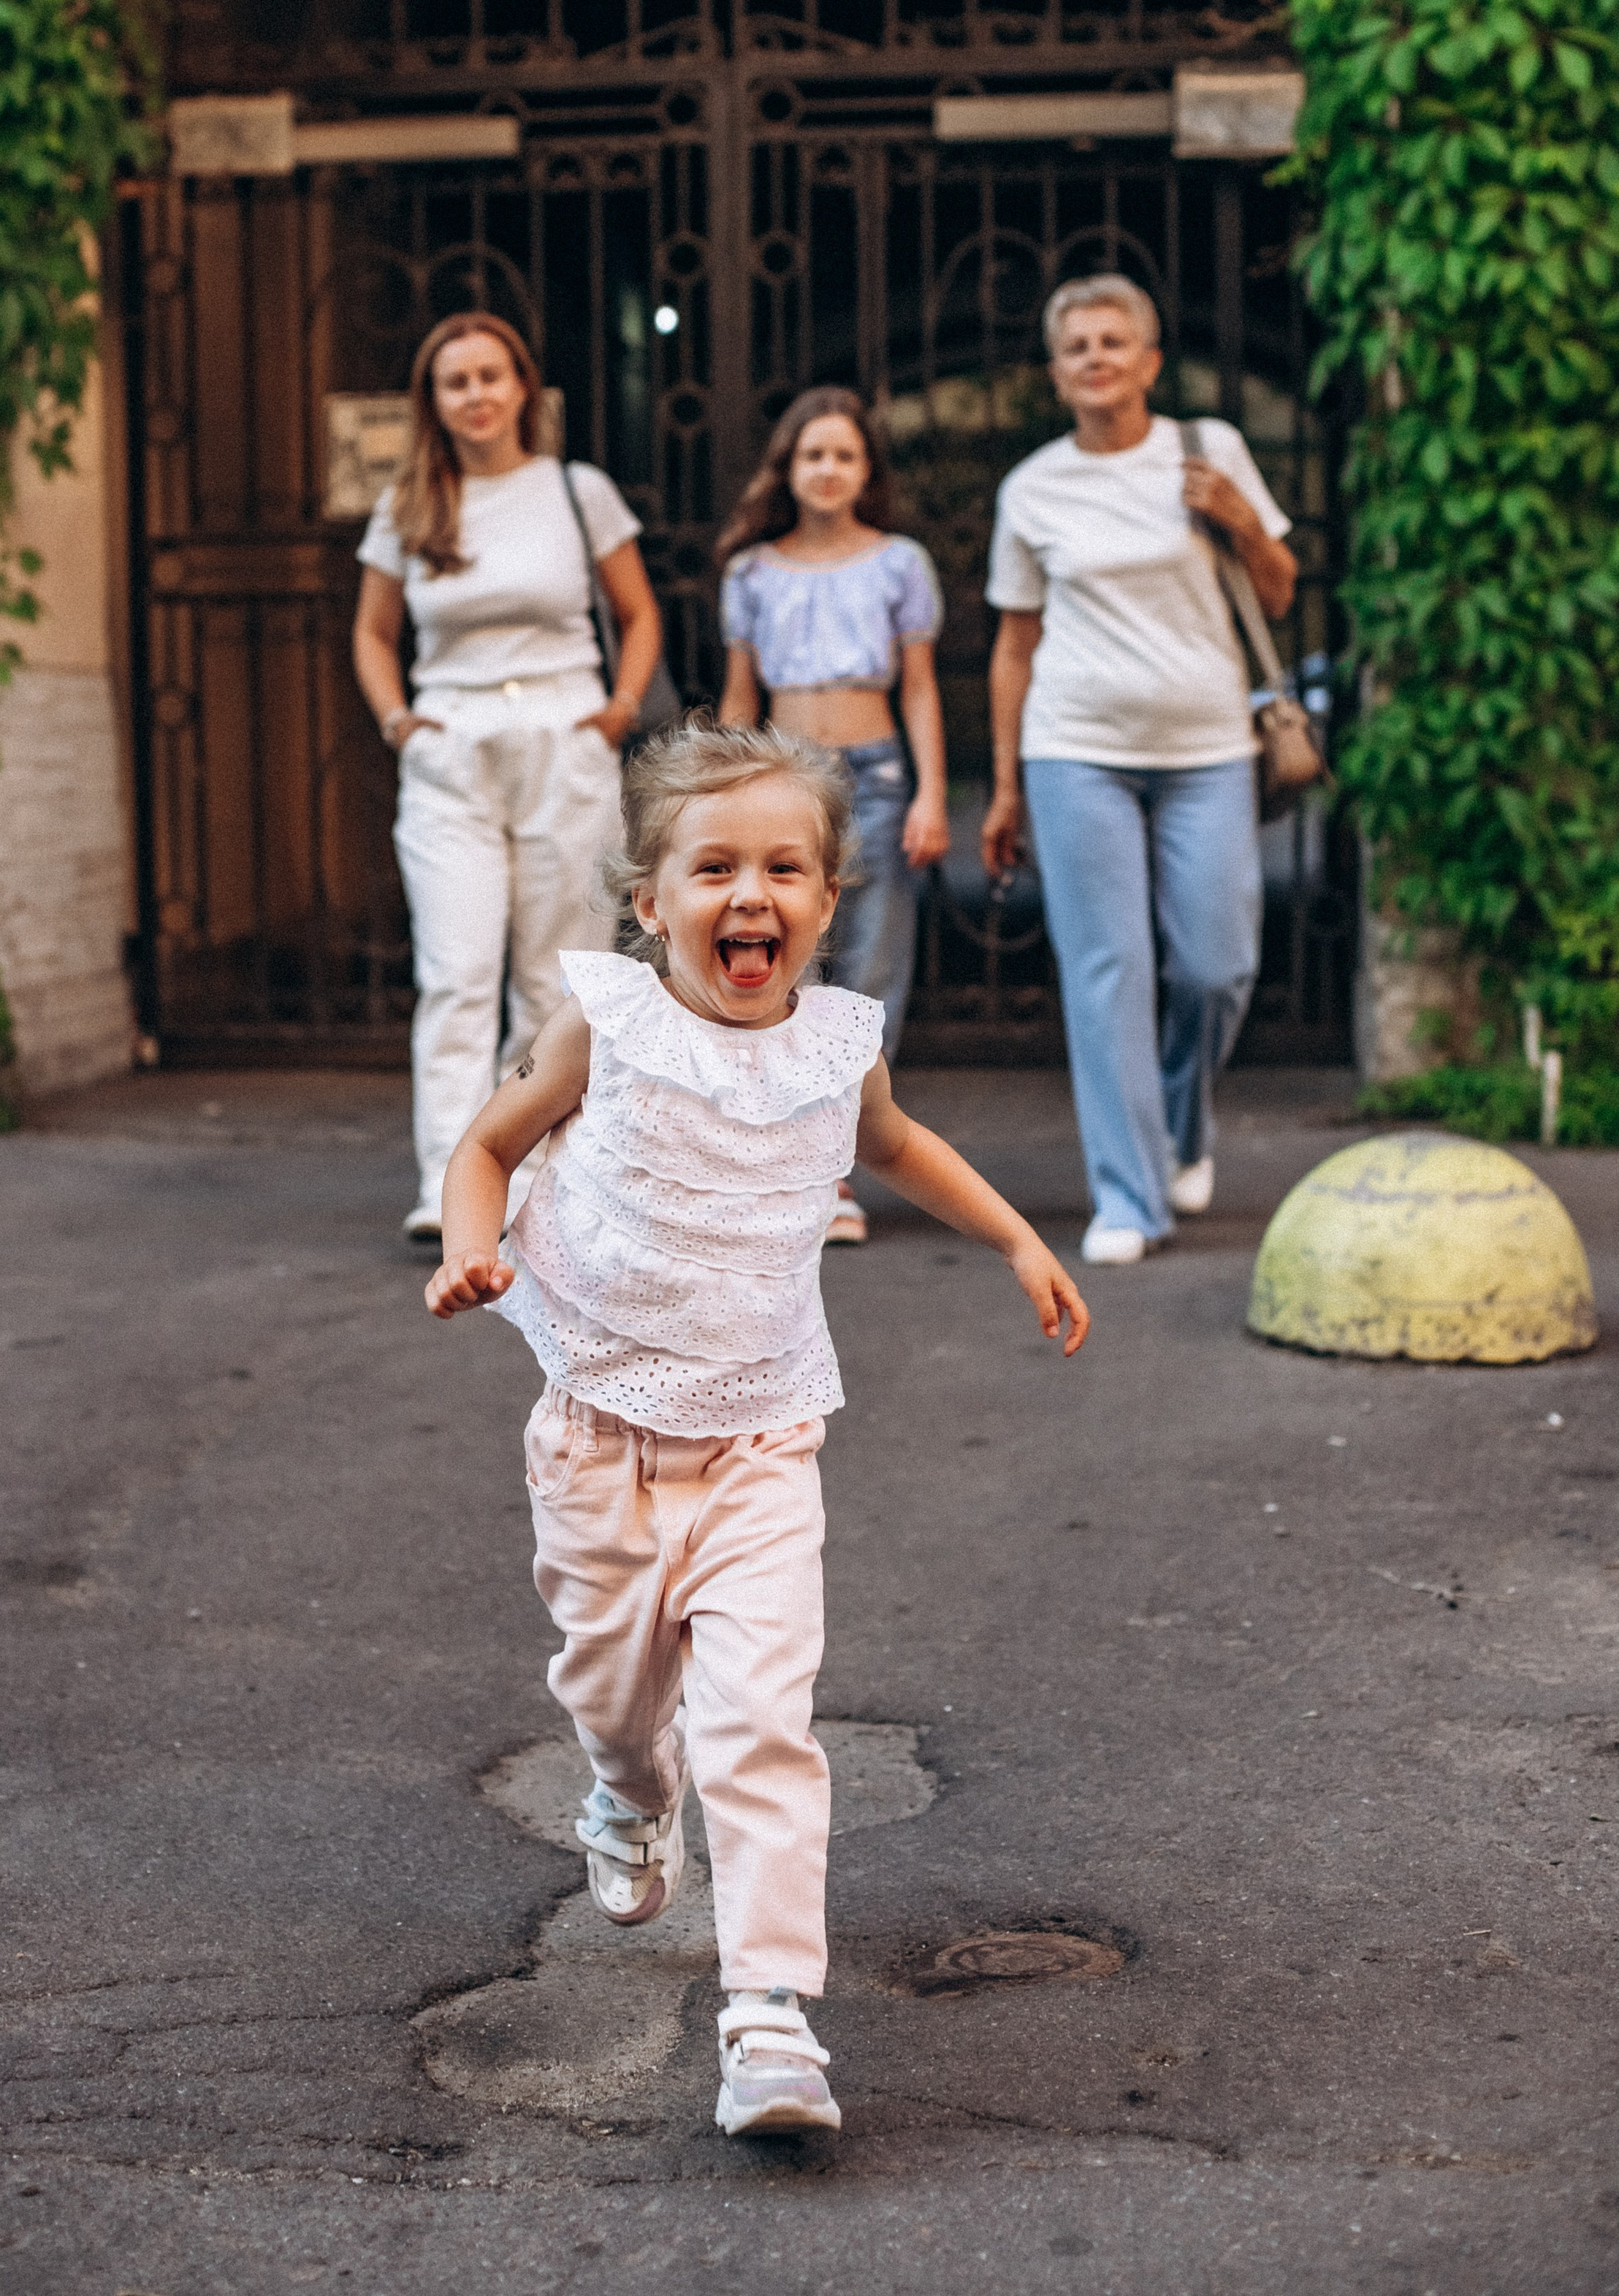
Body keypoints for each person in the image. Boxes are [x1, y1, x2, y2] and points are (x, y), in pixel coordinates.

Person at [424, 719, 1089, 2137]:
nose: (749, 896)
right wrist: (470, 1252)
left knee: (763, 1727)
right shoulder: (602, 1023)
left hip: (759, 1442)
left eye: (782, 868)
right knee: (610, 1693)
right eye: (711, 866)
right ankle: (623, 1785)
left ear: (825, 903)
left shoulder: (838, 1046)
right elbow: (485, 1145)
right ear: (648, 897)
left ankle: (768, 2019)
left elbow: (897, 1148)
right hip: (598, 1433)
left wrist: (1018, 1241)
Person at [981, 273, 1298, 1267]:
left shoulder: (1209, 451)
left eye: (1115, 341)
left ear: (1151, 361)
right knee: (1106, 973)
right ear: (1057, 372)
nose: (1097, 358)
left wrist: (1243, 520)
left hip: (1208, 747)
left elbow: (1281, 599)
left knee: (1217, 962)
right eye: (1078, 346)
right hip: (1076, 748)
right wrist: (1003, 783)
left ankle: (1180, 1123)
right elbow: (1014, 647)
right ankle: (1128, 1194)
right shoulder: (1032, 487)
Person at [352, 310, 663, 1242]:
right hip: (452, 743)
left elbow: (637, 613)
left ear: (523, 386)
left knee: (556, 974)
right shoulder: (407, 505)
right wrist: (399, 723)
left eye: (492, 376)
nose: (477, 395)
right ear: (434, 402)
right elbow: (372, 633)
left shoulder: (576, 490)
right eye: (456, 382)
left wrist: (618, 707)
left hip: (562, 732)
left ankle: (535, 1170)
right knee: (455, 971)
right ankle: (448, 1182)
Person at [715, 387, 951, 1245]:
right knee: (785, 969)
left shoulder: (899, 564)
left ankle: (837, 1175)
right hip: (783, 783)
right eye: (812, 454)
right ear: (789, 468)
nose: (827, 470)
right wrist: (726, 798)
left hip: (878, 777)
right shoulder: (750, 572)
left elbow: (919, 686)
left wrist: (929, 791)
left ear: (865, 472)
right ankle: (783, 1173)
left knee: (868, 976)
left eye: (844, 456)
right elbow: (739, 696)